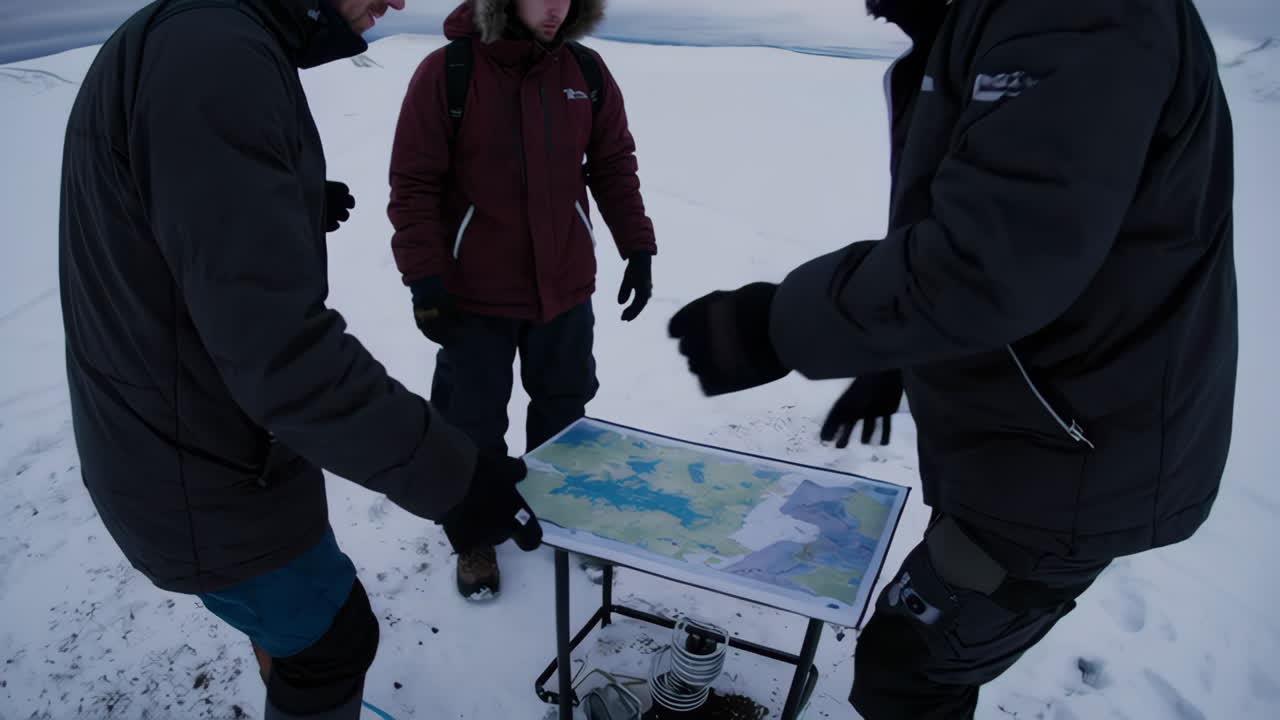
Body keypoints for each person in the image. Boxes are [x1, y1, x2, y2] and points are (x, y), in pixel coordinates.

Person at [667, 0, 1237, 717]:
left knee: (912, 667)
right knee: (920, 659)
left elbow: (992, 260)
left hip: (1072, 458)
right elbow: (1002, 223)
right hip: (1033, 438)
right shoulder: (991, 23)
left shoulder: (1075, 14)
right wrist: (895, 352)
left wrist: (771, 326)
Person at [59, 0, 542, 717]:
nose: (400, 1)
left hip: (193, 431)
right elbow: (281, 355)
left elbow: (170, 209)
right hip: (202, 461)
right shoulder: (214, 54)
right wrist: (457, 478)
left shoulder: (202, 33)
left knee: (301, 636)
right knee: (331, 642)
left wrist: (275, 201)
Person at [388, 0, 657, 600]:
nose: (557, 6)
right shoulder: (447, 73)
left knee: (565, 406)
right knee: (472, 419)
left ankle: (562, 511)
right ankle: (475, 531)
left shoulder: (585, 73)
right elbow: (414, 183)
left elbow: (613, 164)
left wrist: (636, 246)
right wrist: (424, 279)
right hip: (473, 292)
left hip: (564, 284)